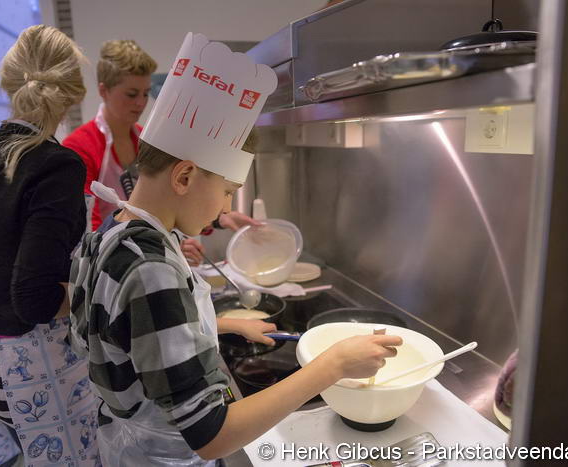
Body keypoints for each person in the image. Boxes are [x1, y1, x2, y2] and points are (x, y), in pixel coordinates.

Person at [68, 32, 403, 466]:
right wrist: (332, 365)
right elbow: (211, 434)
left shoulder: (116, 229)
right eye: (227, 191)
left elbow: (128, 334)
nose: (226, 208)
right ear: (184, 177)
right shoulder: (151, 268)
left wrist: (221, 325)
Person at [0, 26, 99, 466]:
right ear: (72, 93)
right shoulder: (57, 166)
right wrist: (96, 296)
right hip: (35, 367)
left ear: (9, 83)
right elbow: (34, 298)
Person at [62, 39, 257, 265]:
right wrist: (153, 246)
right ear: (104, 91)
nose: (141, 103)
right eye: (131, 94)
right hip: (110, 259)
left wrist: (214, 221)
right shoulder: (80, 147)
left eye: (146, 94)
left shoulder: (147, 138)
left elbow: (171, 198)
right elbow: (84, 227)